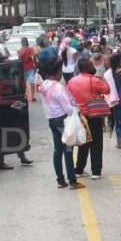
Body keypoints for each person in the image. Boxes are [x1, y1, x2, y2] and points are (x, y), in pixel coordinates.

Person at [37, 59, 80, 188]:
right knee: (68, 150)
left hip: (51, 120)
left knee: (57, 151)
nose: (61, 74)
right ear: (56, 72)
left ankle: (60, 180)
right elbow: (68, 108)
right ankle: (72, 181)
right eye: (60, 71)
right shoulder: (58, 87)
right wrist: (77, 110)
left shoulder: (43, 86)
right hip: (62, 120)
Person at [68, 58, 111, 180]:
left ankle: (79, 169)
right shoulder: (94, 80)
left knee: (83, 142)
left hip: (79, 116)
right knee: (96, 143)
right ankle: (96, 172)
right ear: (87, 68)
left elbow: (69, 97)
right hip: (94, 115)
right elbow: (107, 91)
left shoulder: (72, 81)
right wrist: (102, 78)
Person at [17, 37, 37, 104]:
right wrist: (36, 67)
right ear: (27, 42)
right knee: (31, 82)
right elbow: (34, 58)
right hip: (31, 68)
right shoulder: (31, 49)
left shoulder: (19, 51)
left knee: (24, 82)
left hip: (23, 68)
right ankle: (32, 96)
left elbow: (19, 61)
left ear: (22, 43)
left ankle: (25, 94)